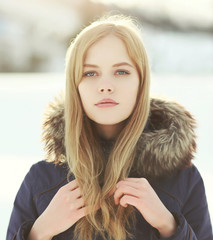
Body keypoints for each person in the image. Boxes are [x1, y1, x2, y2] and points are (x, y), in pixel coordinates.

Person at [7, 15, 213, 240]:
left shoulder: (183, 179)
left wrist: (169, 225)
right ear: (75, 86)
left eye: (121, 72)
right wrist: (39, 232)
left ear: (141, 82)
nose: (105, 86)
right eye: (90, 73)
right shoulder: (41, 180)